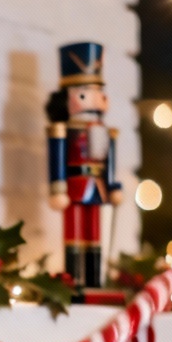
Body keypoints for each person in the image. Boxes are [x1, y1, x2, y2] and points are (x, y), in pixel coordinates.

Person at [45, 41, 122, 290]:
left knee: (94, 235)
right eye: (86, 92)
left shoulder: (105, 131)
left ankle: (94, 280)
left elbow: (108, 161)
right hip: (75, 186)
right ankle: (74, 279)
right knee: (74, 234)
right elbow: (57, 159)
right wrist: (57, 188)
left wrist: (113, 185)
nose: (97, 100)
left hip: (97, 187)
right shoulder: (62, 130)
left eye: (98, 92)